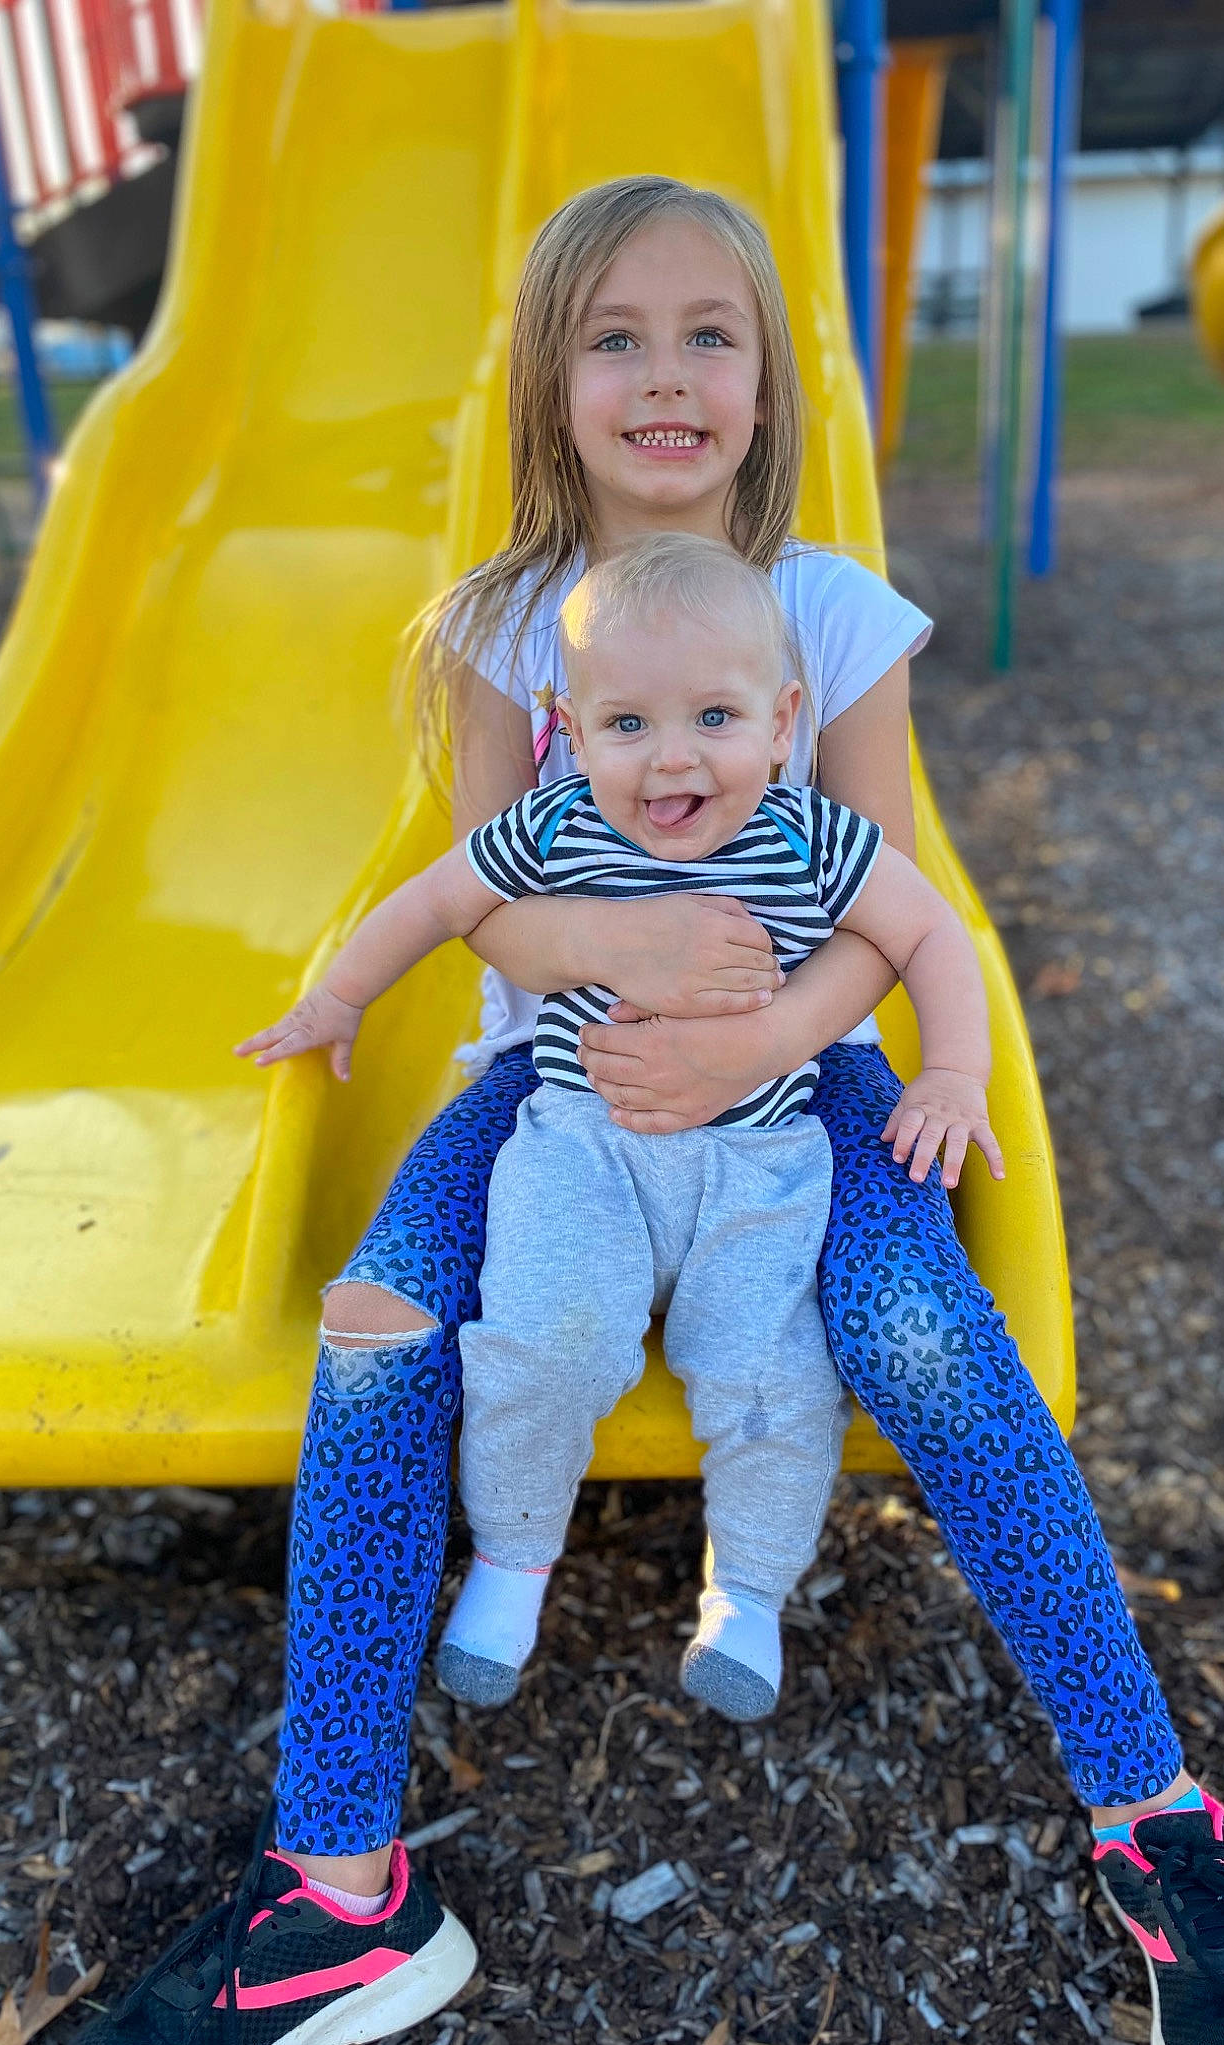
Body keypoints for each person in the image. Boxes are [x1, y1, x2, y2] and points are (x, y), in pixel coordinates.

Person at [79, 176, 1224, 2045]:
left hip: (804, 1080)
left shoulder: (835, 615)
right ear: (551, 380)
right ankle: (340, 1893)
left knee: (921, 1331)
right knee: (375, 1337)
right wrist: (637, 968)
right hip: (550, 1082)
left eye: (713, 336)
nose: (668, 375)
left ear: (771, 385)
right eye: (615, 335)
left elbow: (891, 897)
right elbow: (486, 894)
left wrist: (755, 1035)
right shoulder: (497, 626)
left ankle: (1158, 1818)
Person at [242, 532, 1005, 1727]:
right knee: (539, 1339)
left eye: (713, 714)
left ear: (781, 717)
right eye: (630, 725)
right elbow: (440, 898)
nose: (673, 757)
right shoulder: (554, 830)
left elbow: (930, 935)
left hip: (759, 1162)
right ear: (573, 730)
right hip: (580, 1151)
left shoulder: (812, 837)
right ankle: (512, 1559)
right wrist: (339, 996)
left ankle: (745, 1592)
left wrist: (953, 1070)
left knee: (771, 1374)